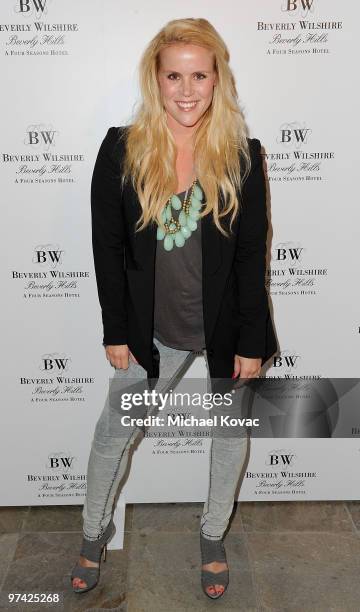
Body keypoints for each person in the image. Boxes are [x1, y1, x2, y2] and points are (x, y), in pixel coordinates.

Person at [70, 17, 277, 600]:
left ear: (218, 80)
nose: (187, 90)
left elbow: (250, 258)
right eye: (174, 76)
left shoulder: (242, 155)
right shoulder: (122, 150)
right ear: (155, 80)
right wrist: (115, 331)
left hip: (226, 329)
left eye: (199, 76)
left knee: (227, 436)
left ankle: (212, 537)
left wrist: (251, 342)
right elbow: (107, 250)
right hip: (149, 332)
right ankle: (92, 534)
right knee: (114, 434)